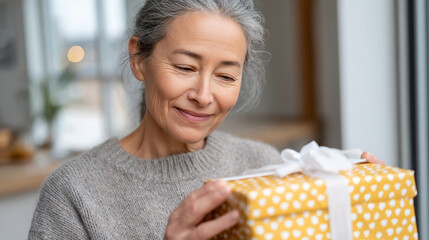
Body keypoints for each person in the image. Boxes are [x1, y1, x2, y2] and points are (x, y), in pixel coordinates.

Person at [28, 0, 384, 239]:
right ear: (138, 58)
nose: (203, 94)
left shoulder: (264, 165)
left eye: (226, 76)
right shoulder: (74, 193)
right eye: (185, 67)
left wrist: (359, 204)